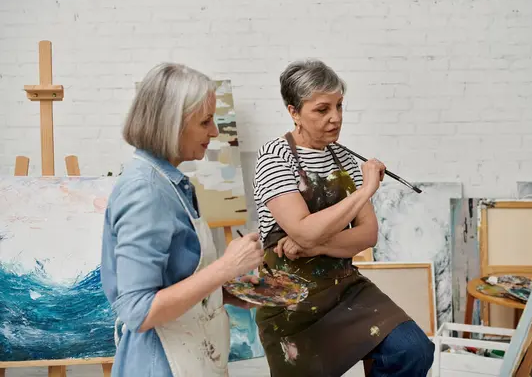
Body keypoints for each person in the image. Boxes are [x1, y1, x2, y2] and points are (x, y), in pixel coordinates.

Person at [252, 59, 435, 376]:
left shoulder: (344, 159)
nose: (335, 118)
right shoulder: (275, 156)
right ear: (294, 111)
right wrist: (364, 192)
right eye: (322, 110)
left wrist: (316, 247)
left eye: (339, 106)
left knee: (413, 349)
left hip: (344, 288)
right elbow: (304, 230)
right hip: (289, 297)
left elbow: (367, 236)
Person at [100, 62, 264, 377]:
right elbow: (139, 310)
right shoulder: (145, 192)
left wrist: (226, 292)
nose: (215, 131)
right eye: (205, 121)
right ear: (171, 124)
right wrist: (226, 267)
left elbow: (173, 280)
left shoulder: (169, 183)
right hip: (162, 364)